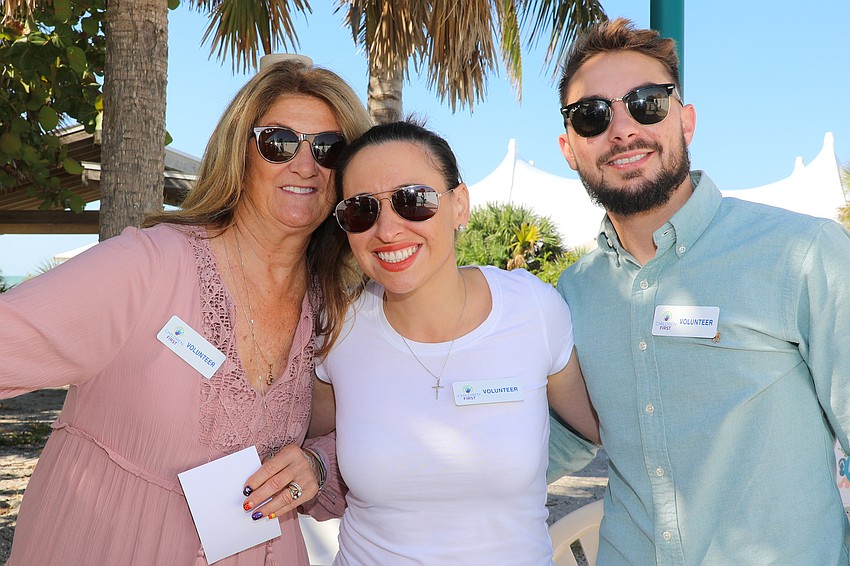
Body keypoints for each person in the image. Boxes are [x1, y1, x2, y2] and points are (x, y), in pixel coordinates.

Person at [0, 57, 372, 565]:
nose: (305, 165)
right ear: (240, 154)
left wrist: (317, 464)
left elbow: (365, 434)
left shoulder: (333, 310)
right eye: (279, 142)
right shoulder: (148, 267)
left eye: (329, 149)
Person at [549, 17, 850, 565]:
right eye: (592, 116)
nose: (621, 131)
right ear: (570, 147)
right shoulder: (573, 291)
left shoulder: (802, 253)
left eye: (646, 103)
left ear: (685, 121)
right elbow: (566, 435)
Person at [297, 120, 599, 565]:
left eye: (412, 201)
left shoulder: (532, 309)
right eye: (362, 211)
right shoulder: (338, 329)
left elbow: (607, 429)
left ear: (459, 205)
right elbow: (304, 438)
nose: (387, 230)